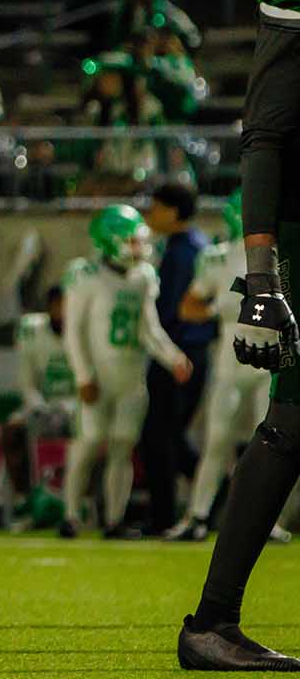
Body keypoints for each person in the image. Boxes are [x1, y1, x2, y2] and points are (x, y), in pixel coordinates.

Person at [179, 0, 300, 670]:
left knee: (292, 424)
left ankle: (214, 622)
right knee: (291, 421)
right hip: (299, 239)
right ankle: (212, 621)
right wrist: (263, 279)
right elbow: (265, 142)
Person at [59, 205, 193, 538]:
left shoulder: (143, 276)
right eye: (131, 241)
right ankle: (71, 515)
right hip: (99, 375)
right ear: (109, 241)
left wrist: (173, 358)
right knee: (89, 442)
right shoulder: (86, 275)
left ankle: (114, 519)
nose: (138, 248)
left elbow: (148, 328)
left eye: (139, 241)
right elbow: (73, 331)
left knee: (123, 445)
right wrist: (83, 375)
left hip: (132, 375)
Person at [172, 191, 279, 542]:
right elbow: (188, 308)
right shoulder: (217, 257)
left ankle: (265, 522)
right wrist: (219, 310)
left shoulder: (284, 254)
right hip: (232, 360)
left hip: (272, 361)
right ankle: (197, 515)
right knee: (217, 441)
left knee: (270, 448)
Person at [140, 183, 215, 534]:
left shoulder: (180, 253)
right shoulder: (199, 246)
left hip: (178, 354)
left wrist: (166, 352)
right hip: (194, 352)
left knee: (159, 438)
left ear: (172, 211)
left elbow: (169, 310)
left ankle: (169, 516)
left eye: (155, 207)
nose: (150, 215)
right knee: (170, 436)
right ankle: (215, 501)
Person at [2, 285, 73, 526]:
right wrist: (39, 406)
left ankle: (87, 502)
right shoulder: (32, 331)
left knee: (97, 439)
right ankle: (26, 496)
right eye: (58, 305)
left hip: (79, 408)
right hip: (42, 405)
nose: (62, 311)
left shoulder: (86, 329)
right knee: (14, 430)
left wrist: (71, 406)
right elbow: (26, 380)